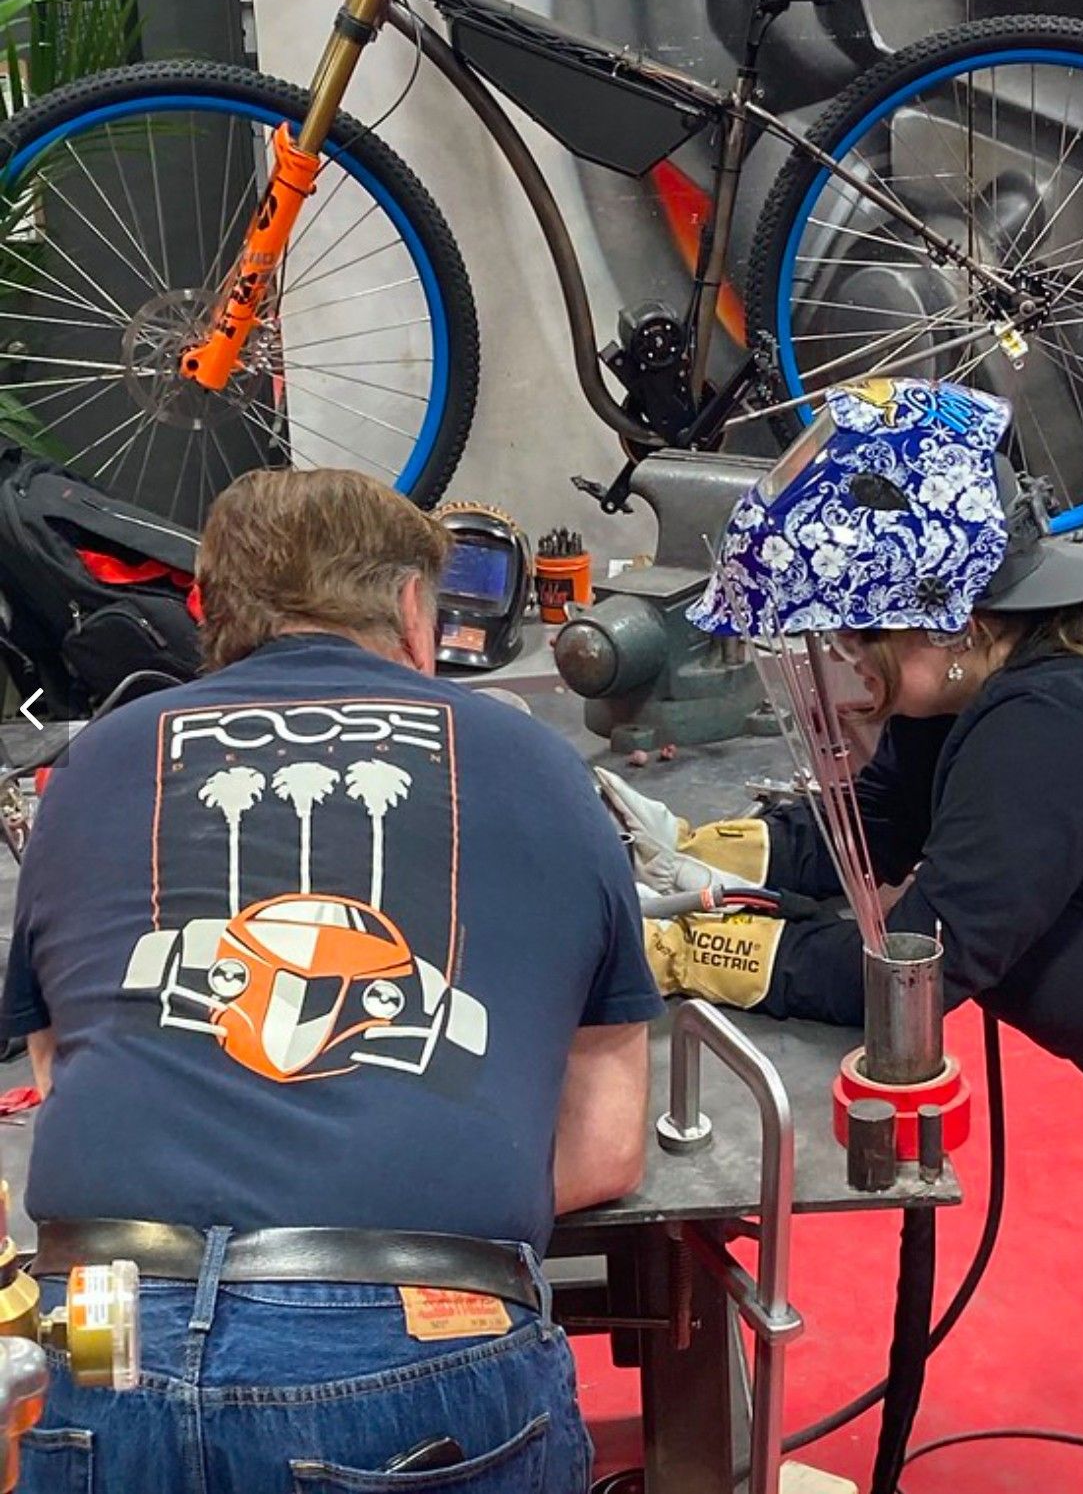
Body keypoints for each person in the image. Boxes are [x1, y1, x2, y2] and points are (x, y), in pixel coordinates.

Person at [0, 468, 664, 1494]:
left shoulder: (95, 762)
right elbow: (606, 1144)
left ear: (208, 607)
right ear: (411, 607)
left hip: (103, 1331)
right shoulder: (532, 762)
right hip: (416, 1335)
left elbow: (64, 1063)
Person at [621, 377, 1083, 1105]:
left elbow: (911, 972)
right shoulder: (988, 671)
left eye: (861, 634)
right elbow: (879, 823)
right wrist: (699, 851)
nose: (851, 658)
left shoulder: (1049, 728)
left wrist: (698, 948)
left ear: (950, 618)